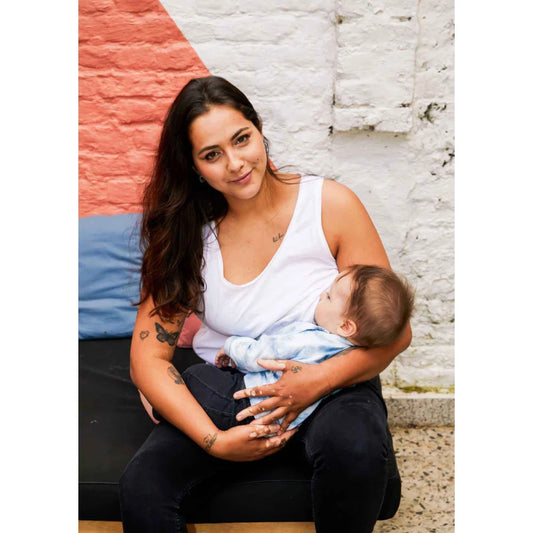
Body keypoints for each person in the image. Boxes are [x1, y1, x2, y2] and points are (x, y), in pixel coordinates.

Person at [119, 75, 412, 533]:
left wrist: (315, 382)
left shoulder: (329, 205)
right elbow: (148, 357)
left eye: (242, 139)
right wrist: (215, 441)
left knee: (356, 450)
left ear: (258, 129)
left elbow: (395, 332)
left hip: (332, 377)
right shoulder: (187, 237)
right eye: (212, 155)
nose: (235, 163)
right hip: (231, 389)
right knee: (142, 486)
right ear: (194, 167)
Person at [213, 264, 414, 430]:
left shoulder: (308, 341)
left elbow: (256, 357)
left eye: (329, 297)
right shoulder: (352, 363)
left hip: (250, 405)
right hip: (285, 425)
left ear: (345, 326)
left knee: (200, 377)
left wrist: (231, 346)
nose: (321, 295)